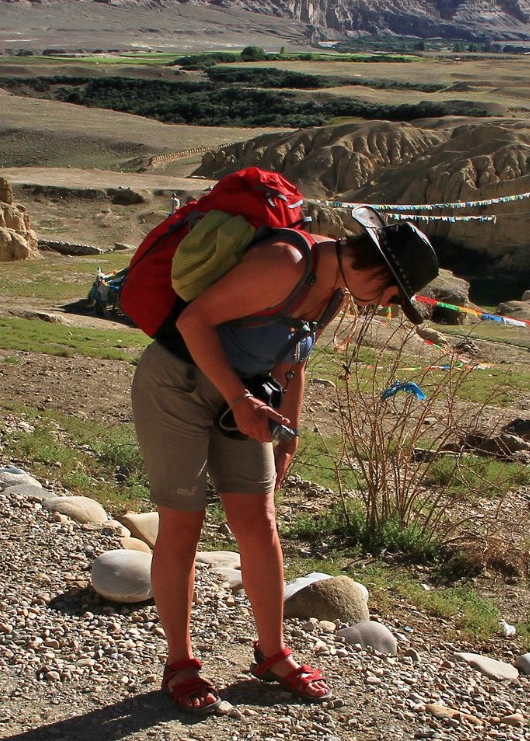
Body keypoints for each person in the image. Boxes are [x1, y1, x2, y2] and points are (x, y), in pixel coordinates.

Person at [132, 212, 439, 713]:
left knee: (260, 522)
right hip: (178, 385)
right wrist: (239, 401)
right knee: (184, 521)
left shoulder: (335, 291)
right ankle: (181, 664)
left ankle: (271, 654)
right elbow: (193, 322)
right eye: (392, 293)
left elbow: (292, 362)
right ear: (378, 270)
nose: (387, 306)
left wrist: (287, 436)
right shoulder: (287, 261)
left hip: (246, 399)